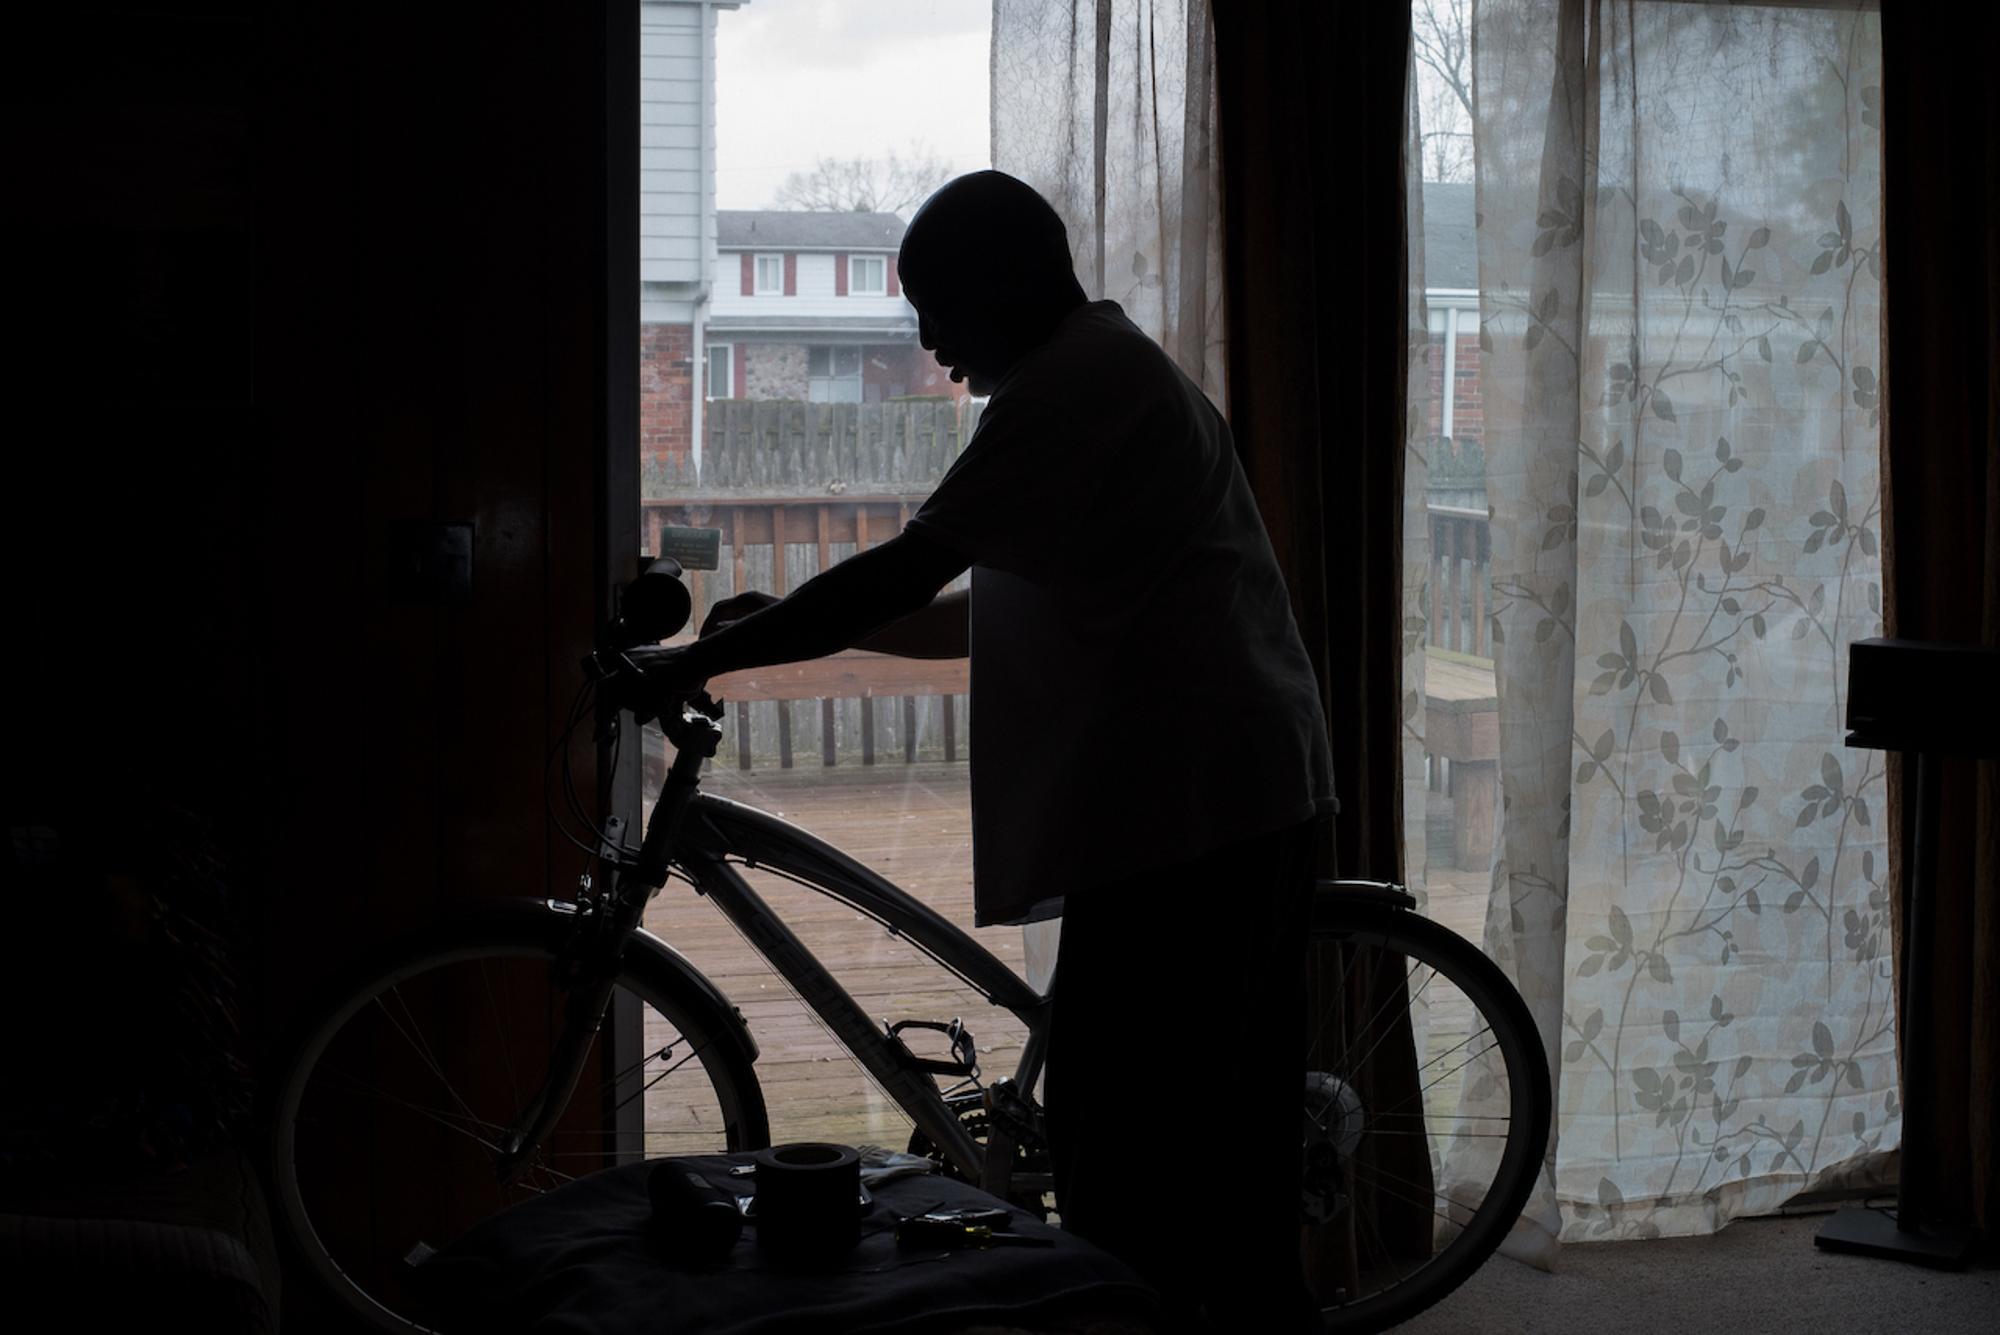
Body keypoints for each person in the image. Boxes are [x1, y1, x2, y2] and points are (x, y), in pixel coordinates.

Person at [630, 170, 1335, 1332]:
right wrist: (772, 632)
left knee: (1142, 1147)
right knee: (1177, 1134)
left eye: (938, 305)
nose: (927, 339)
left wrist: (690, 665)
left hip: (1198, 804)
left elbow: (911, 568)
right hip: (1190, 795)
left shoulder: (1072, 389)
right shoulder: (1084, 378)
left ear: (1012, 283)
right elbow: (976, 608)